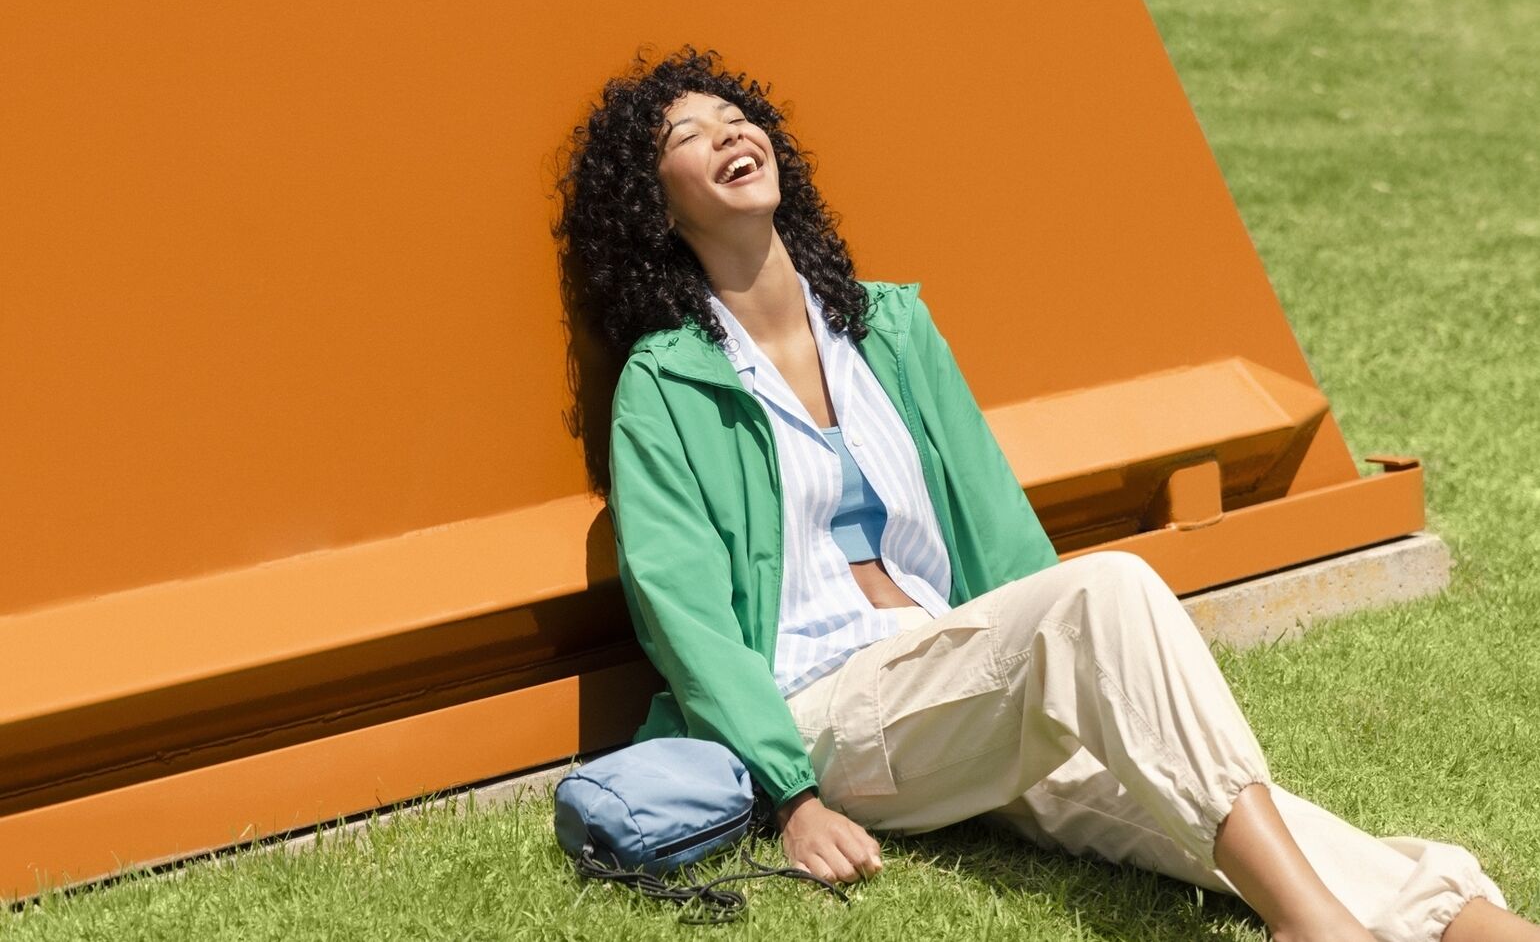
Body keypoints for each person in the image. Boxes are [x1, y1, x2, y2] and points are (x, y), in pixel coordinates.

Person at [554, 47, 1537, 942]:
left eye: (735, 114)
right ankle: (1313, 929)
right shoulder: (667, 386)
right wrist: (795, 794)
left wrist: (1078, 675)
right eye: (688, 134)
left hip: (963, 676)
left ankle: (1465, 923)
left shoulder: (889, 329)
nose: (727, 131)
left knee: (1178, 789)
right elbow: (688, 621)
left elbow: (998, 532)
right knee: (1104, 595)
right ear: (657, 208)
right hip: (829, 712)